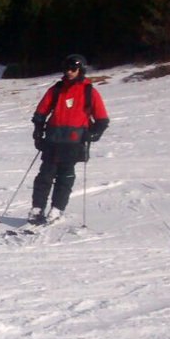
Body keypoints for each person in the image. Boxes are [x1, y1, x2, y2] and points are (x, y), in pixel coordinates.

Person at [28, 54, 109, 224]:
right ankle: (37, 208)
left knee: (65, 177)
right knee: (45, 175)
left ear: (81, 70)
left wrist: (94, 133)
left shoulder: (89, 91)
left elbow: (102, 119)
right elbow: (41, 112)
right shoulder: (56, 89)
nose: (70, 72)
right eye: (67, 69)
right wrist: (38, 131)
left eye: (74, 69)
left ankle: (57, 209)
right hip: (53, 139)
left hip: (74, 141)